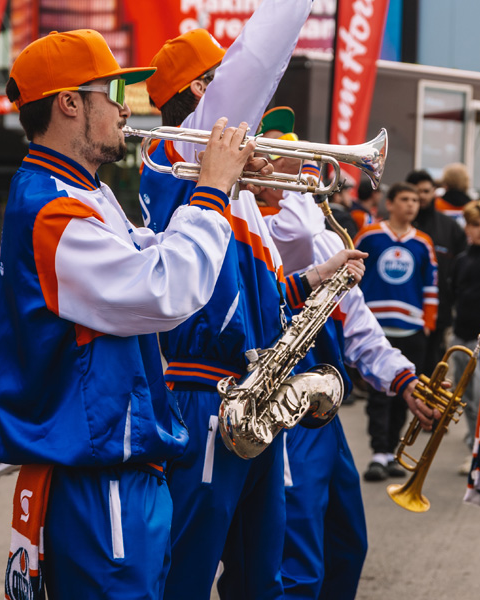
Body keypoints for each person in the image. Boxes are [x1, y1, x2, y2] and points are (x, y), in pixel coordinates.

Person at [0, 29, 268, 599]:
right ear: (70, 102)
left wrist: (228, 187)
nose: (124, 106)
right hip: (98, 476)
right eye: (113, 90)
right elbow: (164, 290)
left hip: (117, 471)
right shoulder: (51, 208)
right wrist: (212, 189)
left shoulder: (82, 193)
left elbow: (150, 254)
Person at [140, 7, 366, 598]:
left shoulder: (243, 204)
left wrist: (317, 277)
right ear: (201, 92)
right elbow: (257, 62)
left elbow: (262, 303)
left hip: (252, 400)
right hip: (205, 397)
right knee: (186, 571)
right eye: (224, 79)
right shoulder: (181, 155)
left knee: (261, 577)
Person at [254, 107, 433, 599]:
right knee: (296, 561)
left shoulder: (317, 223)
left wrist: (404, 378)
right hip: (280, 403)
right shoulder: (259, 220)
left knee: (344, 544)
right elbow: (301, 236)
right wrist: (304, 196)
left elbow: (358, 324)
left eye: (297, 149)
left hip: (322, 407)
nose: (300, 166)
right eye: (283, 152)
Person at [355, 182, 438, 481]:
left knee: (407, 393)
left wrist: (427, 324)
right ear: (389, 204)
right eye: (405, 199)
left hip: (411, 327)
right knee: (379, 393)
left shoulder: (423, 242)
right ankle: (378, 452)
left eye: (415, 200)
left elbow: (431, 284)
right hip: (374, 326)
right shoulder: (370, 236)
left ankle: (392, 451)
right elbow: (352, 276)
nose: (411, 205)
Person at [448, 198, 480, 474]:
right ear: (466, 227)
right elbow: (453, 296)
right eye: (475, 224)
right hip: (460, 336)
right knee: (464, 396)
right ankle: (473, 446)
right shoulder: (461, 261)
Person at [407, 169, 467, 379]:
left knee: (431, 372)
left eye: (425, 191)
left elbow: (462, 269)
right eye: (415, 192)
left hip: (439, 313)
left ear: (434, 191)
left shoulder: (450, 228)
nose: (421, 196)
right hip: (404, 312)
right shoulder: (398, 226)